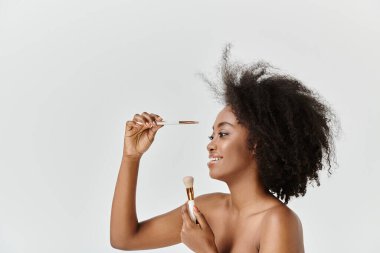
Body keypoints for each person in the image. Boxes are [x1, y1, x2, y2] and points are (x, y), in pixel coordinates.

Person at [110, 47, 337, 253]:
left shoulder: (278, 221)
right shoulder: (207, 208)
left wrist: (207, 250)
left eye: (223, 133)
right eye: (212, 135)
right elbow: (125, 238)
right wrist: (131, 156)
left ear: (257, 142)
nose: (210, 144)